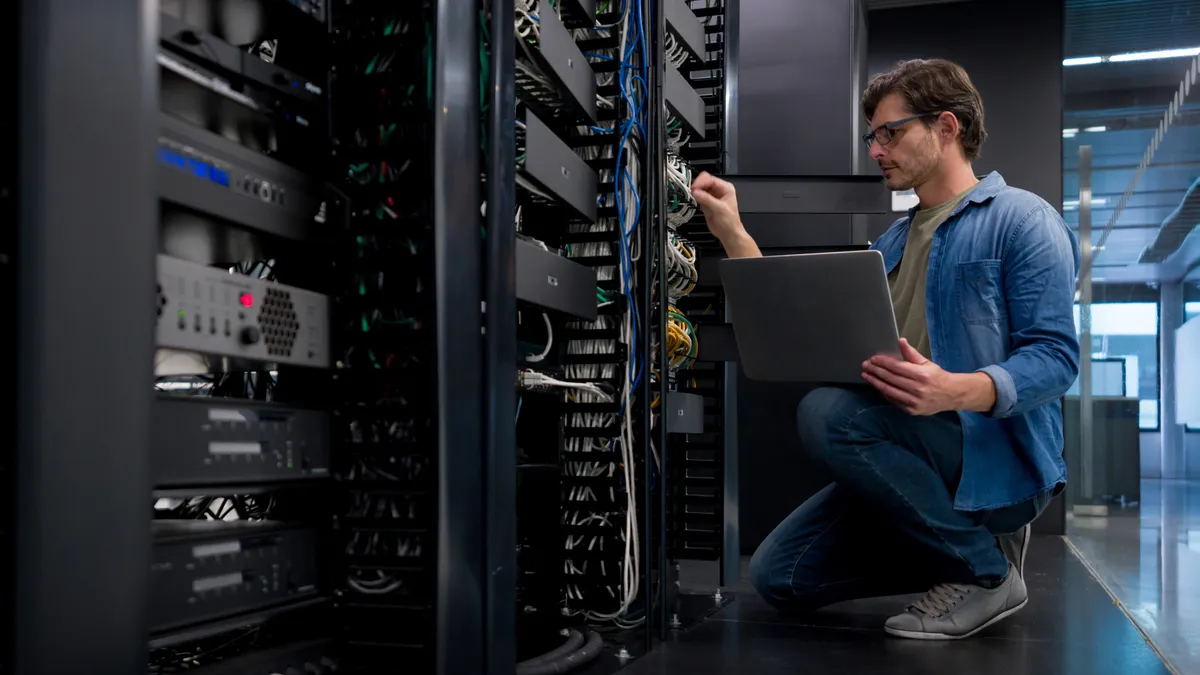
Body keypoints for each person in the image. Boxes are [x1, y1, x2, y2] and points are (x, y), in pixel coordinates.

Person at [689, 58, 1080, 640]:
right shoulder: (889, 243)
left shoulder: (1023, 220)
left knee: (827, 413)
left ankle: (987, 571)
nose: (876, 150)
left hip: (988, 453)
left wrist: (954, 389)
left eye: (889, 133)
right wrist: (733, 232)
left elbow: (1055, 358)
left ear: (946, 128)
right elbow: (796, 327)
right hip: (910, 451)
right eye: (873, 135)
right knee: (781, 577)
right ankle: (967, 548)